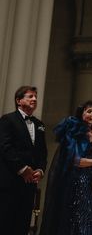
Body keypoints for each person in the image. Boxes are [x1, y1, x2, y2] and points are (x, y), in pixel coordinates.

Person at [40, 100, 92, 235]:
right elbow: (75, 160)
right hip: (77, 181)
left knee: (90, 219)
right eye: (88, 111)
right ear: (81, 113)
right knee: (76, 218)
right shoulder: (75, 132)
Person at [0, 86, 48, 235]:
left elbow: (42, 152)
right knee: (5, 221)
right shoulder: (8, 119)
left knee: (23, 223)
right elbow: (5, 147)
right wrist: (22, 168)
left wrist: (40, 170)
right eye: (30, 96)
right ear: (18, 100)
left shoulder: (39, 124)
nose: (34, 99)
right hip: (10, 180)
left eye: (35, 97)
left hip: (29, 184)